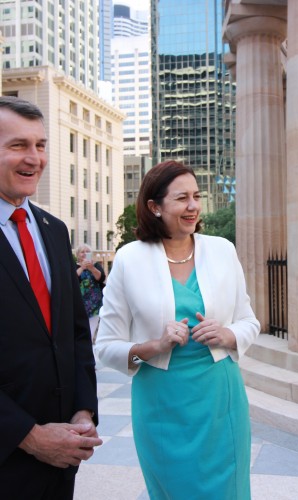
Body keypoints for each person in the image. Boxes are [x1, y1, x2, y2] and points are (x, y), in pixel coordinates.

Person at [95, 160, 260, 499]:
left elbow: (249, 321)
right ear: (154, 207)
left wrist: (228, 335)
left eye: (196, 196)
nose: (193, 206)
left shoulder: (222, 250)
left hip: (220, 400)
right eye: (182, 198)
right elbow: (105, 345)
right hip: (160, 404)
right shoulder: (129, 259)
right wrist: (154, 345)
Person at [0, 96, 102, 499]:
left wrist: (83, 411)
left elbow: (75, 334)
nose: (35, 158)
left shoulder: (54, 230)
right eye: (18, 145)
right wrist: (29, 436)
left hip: (61, 460)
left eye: (40, 145)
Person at [76, 244, 106, 341]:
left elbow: (101, 278)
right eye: (82, 252)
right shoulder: (74, 266)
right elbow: (71, 279)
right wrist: (82, 268)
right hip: (79, 304)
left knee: (91, 330)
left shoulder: (96, 265)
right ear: (78, 254)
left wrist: (92, 268)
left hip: (94, 304)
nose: (85, 254)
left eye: (87, 251)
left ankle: (89, 350)